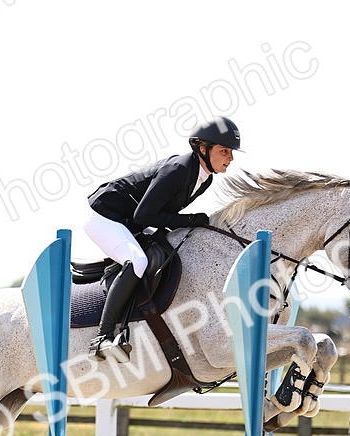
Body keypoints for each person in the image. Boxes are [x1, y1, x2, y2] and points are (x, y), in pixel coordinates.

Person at [83, 117, 241, 361]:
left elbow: (159, 213)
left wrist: (188, 222)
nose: (230, 158)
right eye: (224, 151)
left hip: (130, 221)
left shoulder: (205, 178)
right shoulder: (178, 170)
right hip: (104, 215)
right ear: (202, 148)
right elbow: (144, 214)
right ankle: (102, 338)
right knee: (137, 261)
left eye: (231, 152)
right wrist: (190, 220)